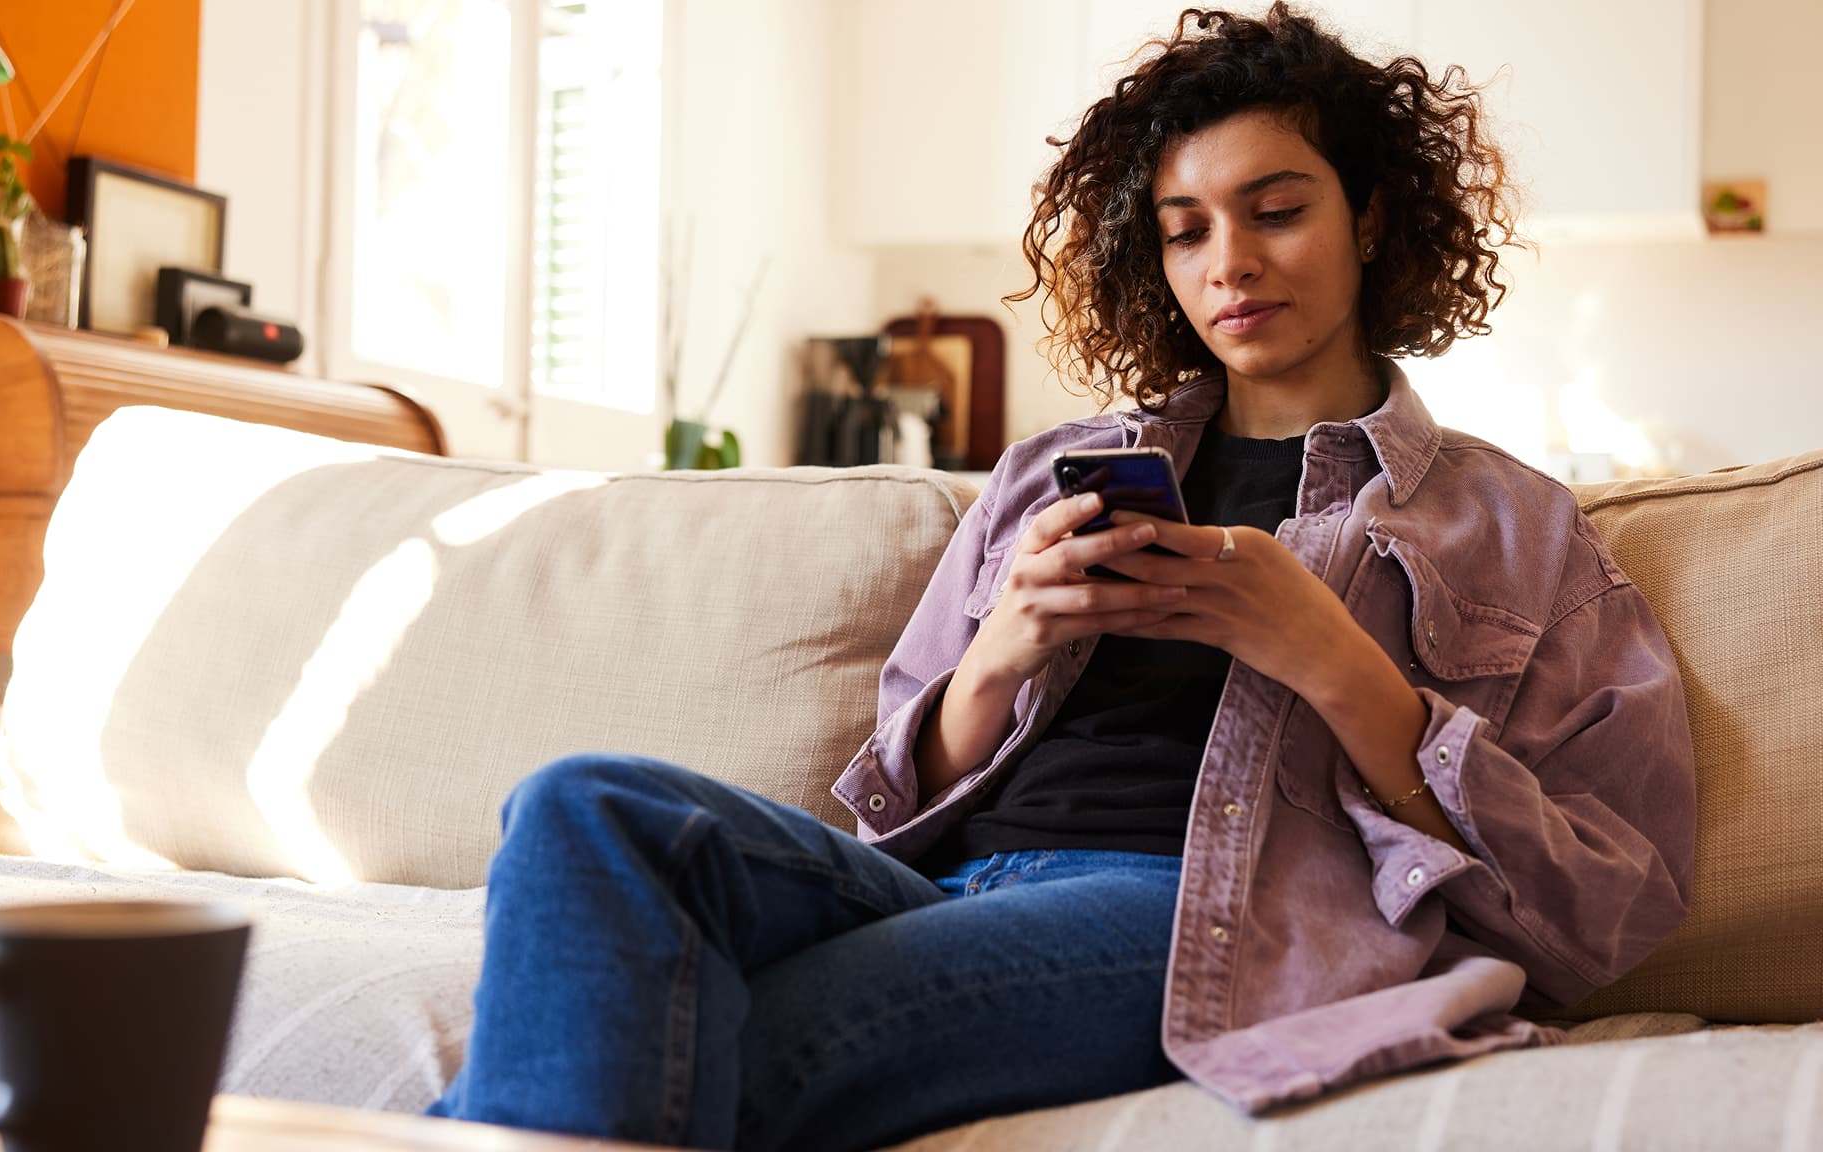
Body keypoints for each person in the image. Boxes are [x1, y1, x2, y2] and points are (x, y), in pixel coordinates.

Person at [427, 4, 1697, 1149]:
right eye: (1185, 228)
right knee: (581, 807)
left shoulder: (1515, 525)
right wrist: (1003, 649)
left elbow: (1607, 905)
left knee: (706, 1047)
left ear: (1368, 217)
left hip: (1197, 912)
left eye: (1277, 208)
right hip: (944, 885)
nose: (1228, 265)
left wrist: (1333, 659)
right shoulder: (1056, 470)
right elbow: (890, 809)